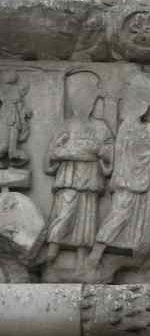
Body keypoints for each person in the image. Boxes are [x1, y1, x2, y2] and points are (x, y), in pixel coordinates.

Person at [44, 73, 114, 267]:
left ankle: (82, 258)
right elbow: (52, 154)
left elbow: (109, 152)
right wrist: (65, 150)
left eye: (90, 101)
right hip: (69, 176)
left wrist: (101, 152)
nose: (86, 104)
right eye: (82, 100)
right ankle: (52, 248)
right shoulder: (67, 125)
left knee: (87, 217)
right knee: (65, 211)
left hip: (91, 177)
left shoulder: (101, 127)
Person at [88, 96, 150, 267]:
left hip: (143, 182)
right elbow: (126, 152)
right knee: (118, 215)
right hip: (126, 181)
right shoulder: (127, 128)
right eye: (147, 108)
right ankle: (97, 252)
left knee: (139, 221)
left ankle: (133, 259)